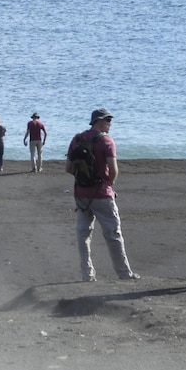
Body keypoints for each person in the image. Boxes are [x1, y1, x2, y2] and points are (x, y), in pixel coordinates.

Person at [65, 107, 138, 282]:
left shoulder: (77, 139)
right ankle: (124, 273)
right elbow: (113, 171)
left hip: (81, 194)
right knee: (113, 234)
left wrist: (84, 179)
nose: (110, 123)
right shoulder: (106, 141)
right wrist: (108, 184)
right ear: (98, 121)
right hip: (102, 194)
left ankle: (87, 275)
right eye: (108, 120)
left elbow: (68, 168)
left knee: (83, 235)